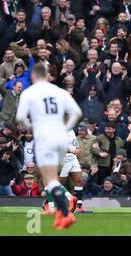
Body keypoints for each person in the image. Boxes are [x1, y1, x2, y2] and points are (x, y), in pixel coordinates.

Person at [16, 63, 82, 230]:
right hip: (60, 137)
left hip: (44, 137)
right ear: (48, 76)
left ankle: (66, 212)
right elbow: (77, 113)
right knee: (51, 178)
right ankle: (61, 210)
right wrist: (66, 128)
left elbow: (20, 117)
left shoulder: (29, 92)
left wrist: (32, 125)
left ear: (32, 77)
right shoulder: (60, 92)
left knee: (49, 179)